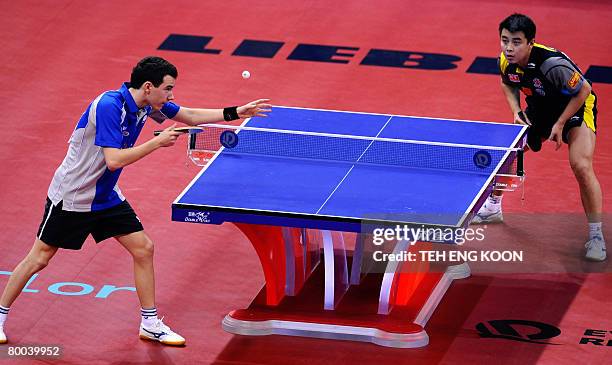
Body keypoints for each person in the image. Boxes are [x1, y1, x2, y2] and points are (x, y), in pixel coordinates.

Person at [0, 56, 272, 345]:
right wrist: (157, 142)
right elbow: (114, 160)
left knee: (143, 248)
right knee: (39, 258)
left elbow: (188, 115)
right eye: (167, 89)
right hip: (74, 196)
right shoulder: (109, 107)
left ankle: (150, 323)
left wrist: (236, 112)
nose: (171, 95)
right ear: (147, 86)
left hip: (105, 195)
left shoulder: (146, 105)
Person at [472, 13, 606, 261]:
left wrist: (560, 123)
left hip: (574, 107)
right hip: (540, 107)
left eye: (516, 42)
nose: (509, 48)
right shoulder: (505, 61)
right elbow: (507, 84)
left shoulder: (552, 64)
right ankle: (492, 207)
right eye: (504, 40)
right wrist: (516, 111)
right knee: (511, 152)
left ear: (530, 42)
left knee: (581, 165)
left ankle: (596, 236)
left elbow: (584, 89)